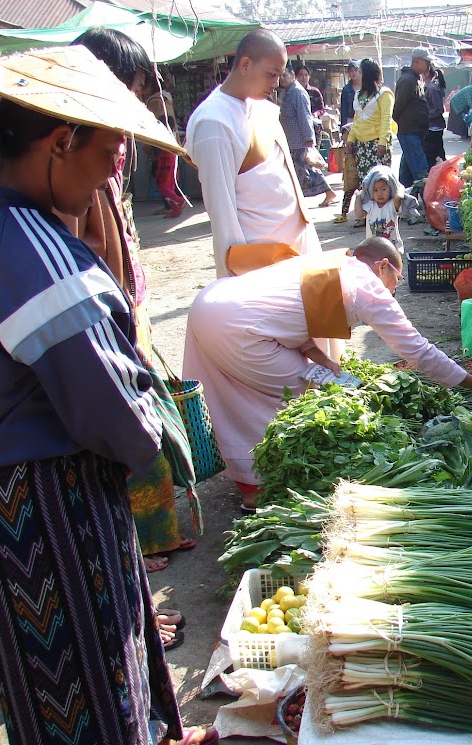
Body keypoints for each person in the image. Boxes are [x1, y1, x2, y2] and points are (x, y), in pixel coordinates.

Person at [0, 45, 220, 745]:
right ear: (59, 143)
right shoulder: (30, 248)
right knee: (95, 676)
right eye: (112, 150)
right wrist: (151, 433)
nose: (118, 169)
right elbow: (112, 409)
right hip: (54, 503)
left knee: (41, 681)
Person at [183, 237, 472, 499]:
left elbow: (283, 310)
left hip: (211, 303)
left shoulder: (335, 262)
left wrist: (319, 357)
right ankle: (259, 486)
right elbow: (418, 351)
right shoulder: (368, 286)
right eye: (396, 278)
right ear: (382, 266)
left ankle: (245, 477)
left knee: (238, 393)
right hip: (235, 327)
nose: (394, 289)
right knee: (295, 401)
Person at [70, 27, 198, 584]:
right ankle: (133, 553)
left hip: (130, 304)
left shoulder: (109, 146)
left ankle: (152, 538)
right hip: (99, 313)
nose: (138, 102)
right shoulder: (76, 152)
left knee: (148, 416)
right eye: (135, 86)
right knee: (128, 428)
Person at [186, 28, 321, 278]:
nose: (275, 84)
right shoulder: (214, 122)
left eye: (279, 75)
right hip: (262, 265)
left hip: (296, 251)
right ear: (245, 65)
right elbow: (222, 214)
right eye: (271, 74)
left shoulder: (260, 107)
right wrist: (236, 285)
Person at [336, 58, 394, 226]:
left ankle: (384, 216)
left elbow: (386, 120)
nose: (357, 75)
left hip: (377, 144)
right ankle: (367, 216)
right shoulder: (359, 94)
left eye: (360, 72)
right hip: (361, 146)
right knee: (365, 183)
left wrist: (383, 142)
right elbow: (357, 119)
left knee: (381, 184)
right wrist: (351, 140)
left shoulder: (384, 94)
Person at [278, 63, 337, 207]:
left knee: (305, 171)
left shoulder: (297, 93)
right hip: (292, 141)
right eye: (280, 76)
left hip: (300, 141)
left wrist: (309, 141)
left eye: (284, 75)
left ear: (292, 75)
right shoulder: (289, 92)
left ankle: (328, 192)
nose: (282, 79)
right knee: (302, 171)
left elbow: (305, 117)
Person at [145, 71, 188, 219]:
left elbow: (160, 121)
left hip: (162, 145)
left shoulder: (156, 100)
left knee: (162, 181)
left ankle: (176, 202)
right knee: (167, 180)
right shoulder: (166, 98)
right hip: (170, 143)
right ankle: (173, 206)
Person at [393, 48, 432, 189]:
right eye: (427, 62)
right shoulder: (408, 80)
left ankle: (404, 201)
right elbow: (398, 107)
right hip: (409, 132)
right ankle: (427, 204)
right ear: (417, 61)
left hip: (413, 132)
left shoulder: (414, 79)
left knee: (407, 172)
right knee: (421, 171)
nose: (429, 65)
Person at [354, 164, 403, 252]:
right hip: (373, 248)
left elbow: (398, 197)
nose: (380, 193)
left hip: (392, 248)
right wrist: (358, 197)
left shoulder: (392, 205)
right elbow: (359, 215)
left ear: (391, 188)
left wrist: (400, 187)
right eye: (375, 190)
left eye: (383, 189)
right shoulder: (370, 205)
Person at [424, 66, 446, 169]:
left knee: (436, 156)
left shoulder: (432, 88)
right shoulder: (429, 87)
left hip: (434, 127)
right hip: (432, 126)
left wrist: (424, 115)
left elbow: (439, 109)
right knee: (436, 155)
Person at [340, 60, 359, 127]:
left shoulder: (366, 88)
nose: (354, 73)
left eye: (356, 70)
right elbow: (343, 110)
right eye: (351, 71)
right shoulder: (346, 90)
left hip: (364, 121)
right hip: (350, 120)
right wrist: (343, 127)